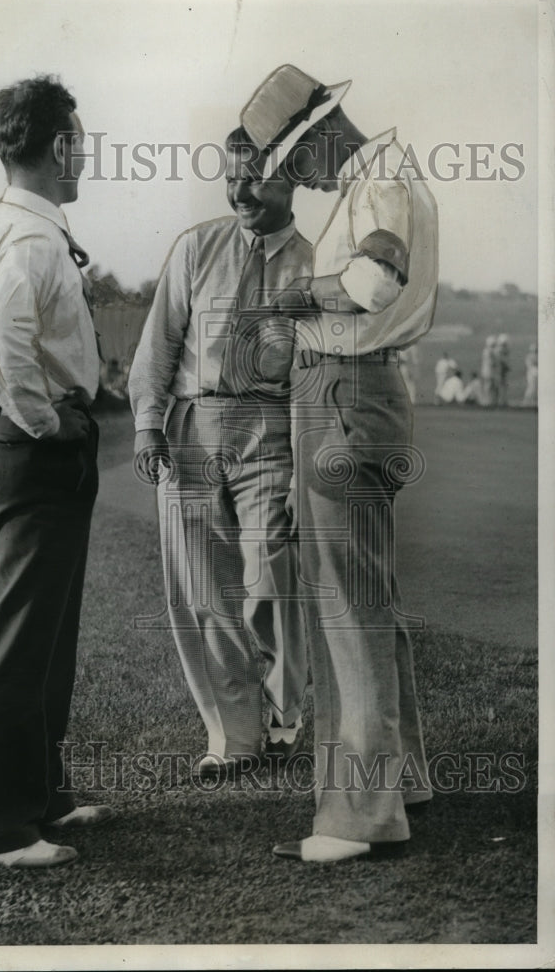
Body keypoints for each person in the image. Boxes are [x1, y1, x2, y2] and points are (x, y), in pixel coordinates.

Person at [248, 64, 437, 863]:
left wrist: (296, 296)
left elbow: (371, 280)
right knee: (370, 598)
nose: (302, 181)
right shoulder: (387, 176)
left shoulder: (378, 179)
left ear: (321, 137)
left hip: (346, 396)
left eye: (297, 164)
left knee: (345, 607)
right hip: (360, 394)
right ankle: (404, 778)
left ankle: (360, 815)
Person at [0, 75, 112, 869]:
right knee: (21, 644)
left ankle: (41, 794)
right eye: (80, 141)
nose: (85, 156)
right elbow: (4, 344)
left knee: (43, 638)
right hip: (30, 453)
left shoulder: (2, 227)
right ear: (61, 145)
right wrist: (45, 417)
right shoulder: (35, 237)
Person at [128, 106, 318, 779]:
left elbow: (314, 374)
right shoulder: (195, 246)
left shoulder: (315, 268)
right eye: (231, 179)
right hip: (193, 428)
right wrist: (149, 424)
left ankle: (283, 717)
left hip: (271, 429)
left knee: (273, 577)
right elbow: (159, 345)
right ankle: (233, 737)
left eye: (254, 182)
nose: (239, 194)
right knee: (202, 591)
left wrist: (303, 468)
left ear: (291, 179)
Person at [480, 334, 498, 406]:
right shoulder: (488, 351)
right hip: (488, 371)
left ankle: (490, 400)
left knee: (490, 386)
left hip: (488, 371)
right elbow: (492, 362)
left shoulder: (487, 351)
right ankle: (487, 401)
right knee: (488, 386)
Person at [495, 333, 510, 407]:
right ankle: (499, 401)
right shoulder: (499, 350)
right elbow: (500, 361)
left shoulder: (502, 350)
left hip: (502, 371)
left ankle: (503, 401)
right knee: (500, 386)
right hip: (499, 371)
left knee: (503, 386)